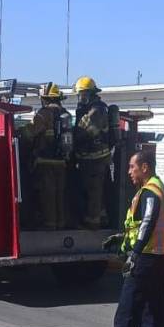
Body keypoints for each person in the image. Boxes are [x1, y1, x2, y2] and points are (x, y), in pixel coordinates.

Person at [91, 150, 164, 327]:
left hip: (146, 260)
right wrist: (122, 238)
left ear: (145, 167)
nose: (129, 172)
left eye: (132, 167)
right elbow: (142, 225)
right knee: (153, 315)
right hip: (158, 259)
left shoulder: (150, 192)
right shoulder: (159, 187)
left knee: (126, 316)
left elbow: (148, 222)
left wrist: (135, 253)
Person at [72, 75, 112, 230]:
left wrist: (71, 139)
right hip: (88, 158)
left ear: (91, 94)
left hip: (97, 159)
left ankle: (93, 224)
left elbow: (85, 132)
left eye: (83, 95)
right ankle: (97, 219)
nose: (81, 98)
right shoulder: (86, 109)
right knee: (89, 191)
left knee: (94, 191)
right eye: (79, 95)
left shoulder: (97, 110)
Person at [30, 83, 71, 229]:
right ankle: (62, 224)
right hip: (62, 161)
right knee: (61, 194)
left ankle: (50, 226)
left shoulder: (42, 114)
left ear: (45, 99)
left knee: (48, 195)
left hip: (45, 161)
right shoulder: (65, 114)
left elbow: (32, 133)